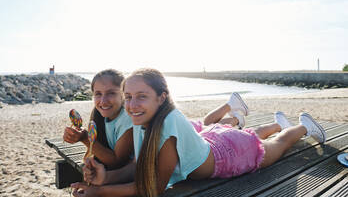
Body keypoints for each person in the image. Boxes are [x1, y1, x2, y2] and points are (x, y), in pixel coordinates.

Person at [72, 68, 326, 197]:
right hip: (214, 142)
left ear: (162, 98)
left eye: (141, 97)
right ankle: (277, 123)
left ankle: (302, 126)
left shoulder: (168, 124)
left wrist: (102, 191)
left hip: (230, 155)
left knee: (278, 146)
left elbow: (154, 187)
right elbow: (138, 164)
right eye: (128, 97)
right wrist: (106, 177)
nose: (131, 105)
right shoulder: (142, 121)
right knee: (254, 135)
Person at [63, 69, 134, 169]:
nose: (103, 101)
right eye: (98, 94)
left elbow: (117, 161)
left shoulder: (128, 119)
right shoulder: (100, 115)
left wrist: (84, 138)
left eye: (111, 93)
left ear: (124, 95)